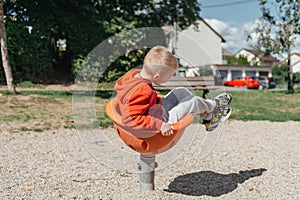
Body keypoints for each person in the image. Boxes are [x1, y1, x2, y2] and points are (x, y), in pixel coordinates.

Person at [114, 46, 232, 136]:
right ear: (156, 76)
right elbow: (130, 119)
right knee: (193, 101)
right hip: (161, 120)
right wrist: (160, 125)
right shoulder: (142, 90)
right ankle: (214, 106)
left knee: (181, 91)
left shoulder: (132, 75)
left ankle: (208, 117)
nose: (170, 78)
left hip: (155, 110)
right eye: (170, 76)